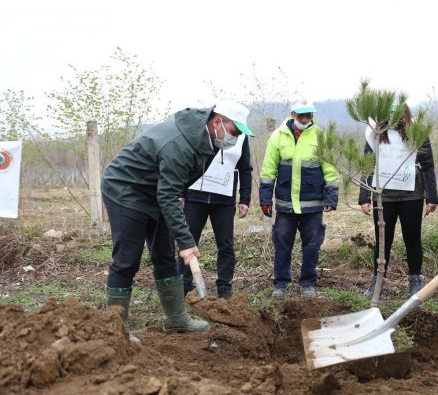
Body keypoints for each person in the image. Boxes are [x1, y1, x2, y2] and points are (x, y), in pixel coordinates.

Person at [102, 101, 254, 338]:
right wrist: (187, 241)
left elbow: (171, 189)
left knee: (163, 254)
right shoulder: (180, 143)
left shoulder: (209, 139)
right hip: (127, 188)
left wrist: (181, 235)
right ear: (217, 122)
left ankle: (175, 318)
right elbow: (169, 194)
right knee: (127, 260)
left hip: (156, 191)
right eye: (235, 132)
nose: (236, 139)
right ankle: (115, 330)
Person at [259, 101, 338, 299]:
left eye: (309, 115)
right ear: (293, 114)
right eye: (301, 115)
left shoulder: (320, 136)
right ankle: (281, 284)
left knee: (312, 244)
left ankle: (308, 283)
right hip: (286, 204)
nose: (305, 119)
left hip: (313, 203)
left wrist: (331, 196)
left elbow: (329, 168)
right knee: (282, 243)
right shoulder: (278, 136)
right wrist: (265, 198)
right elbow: (268, 169)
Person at [358, 104, 438, 297]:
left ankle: (415, 281)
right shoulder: (375, 133)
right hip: (383, 196)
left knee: (413, 239)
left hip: (412, 194)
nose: (394, 116)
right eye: (389, 112)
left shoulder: (417, 132)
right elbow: (367, 166)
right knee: (383, 240)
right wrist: (364, 197)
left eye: (398, 113)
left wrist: (431, 197)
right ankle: (377, 282)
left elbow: (428, 166)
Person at [179, 99, 254, 301]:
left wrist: (244, 198)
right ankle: (184, 287)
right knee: (188, 241)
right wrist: (181, 192)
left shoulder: (241, 138)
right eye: (235, 128)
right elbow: (184, 163)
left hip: (224, 199)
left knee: (226, 245)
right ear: (220, 121)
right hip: (195, 196)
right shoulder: (204, 132)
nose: (236, 133)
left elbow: (245, 168)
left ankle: (224, 287)